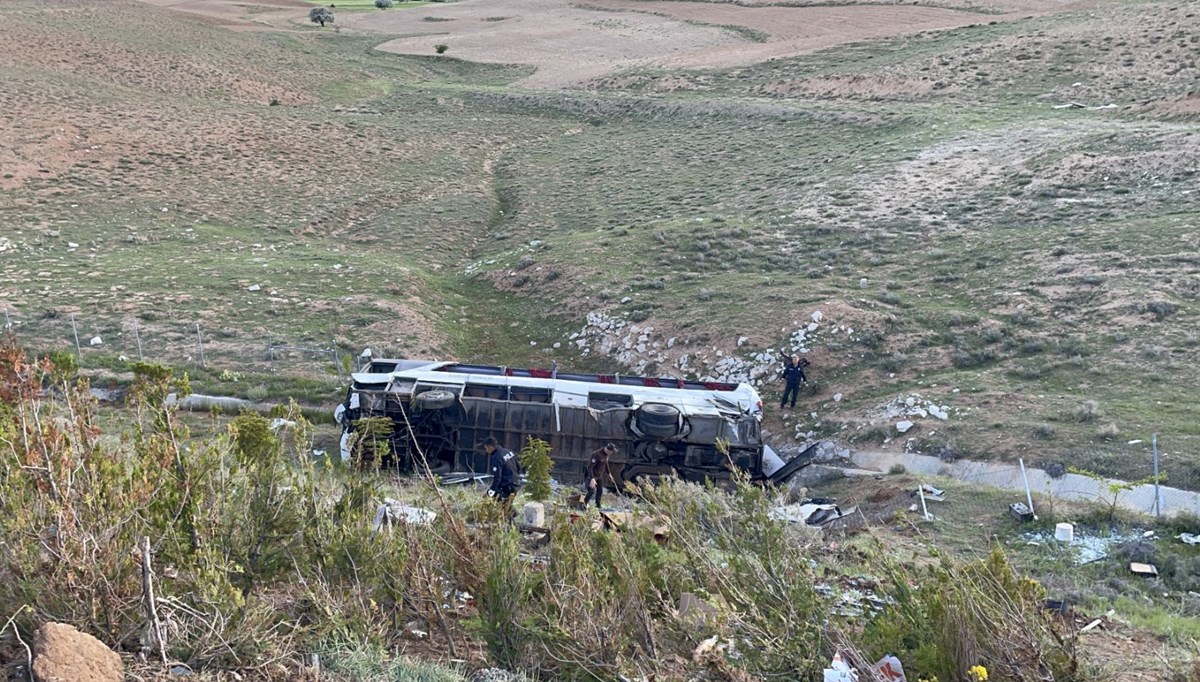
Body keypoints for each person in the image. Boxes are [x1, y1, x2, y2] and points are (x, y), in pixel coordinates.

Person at [483, 437, 520, 505]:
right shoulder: (508, 451)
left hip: (507, 487)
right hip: (516, 483)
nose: (486, 451)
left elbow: (497, 478)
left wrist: (490, 492)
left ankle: (514, 515)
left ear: (490, 447)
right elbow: (518, 466)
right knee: (507, 506)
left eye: (486, 448)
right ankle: (514, 515)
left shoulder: (497, 458)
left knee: (501, 506)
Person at [584, 443, 617, 509]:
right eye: (611, 452)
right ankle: (584, 504)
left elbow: (606, 464)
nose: (611, 453)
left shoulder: (606, 455)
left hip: (599, 475)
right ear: (608, 450)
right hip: (592, 475)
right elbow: (590, 467)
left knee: (600, 490)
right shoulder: (596, 454)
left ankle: (598, 505)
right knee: (591, 490)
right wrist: (592, 479)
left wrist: (609, 474)